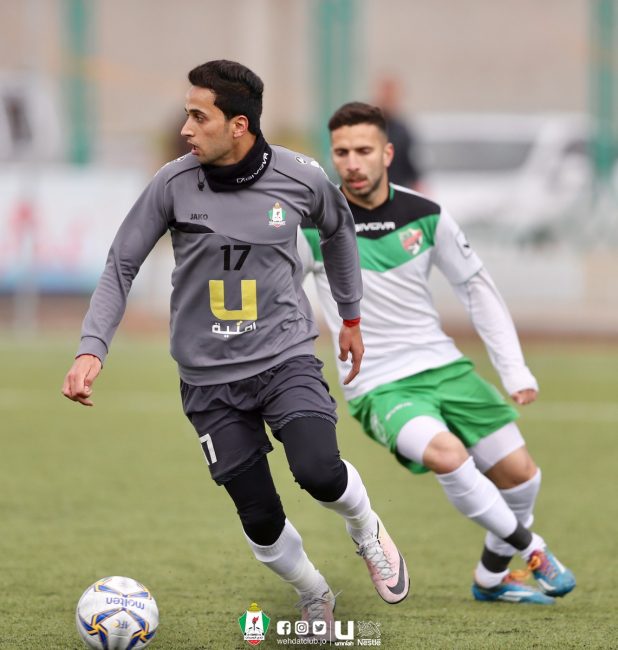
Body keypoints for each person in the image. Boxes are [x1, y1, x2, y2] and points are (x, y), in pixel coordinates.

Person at [61, 63, 409, 641]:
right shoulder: (172, 184)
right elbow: (121, 263)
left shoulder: (301, 177)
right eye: (187, 114)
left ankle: (366, 528)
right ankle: (313, 592)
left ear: (239, 125)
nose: (185, 128)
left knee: (319, 471)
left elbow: (338, 230)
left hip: (284, 357)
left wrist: (350, 316)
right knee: (261, 518)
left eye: (199, 117)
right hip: (207, 380)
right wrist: (91, 348)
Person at [299, 101, 576, 605]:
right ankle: (532, 548)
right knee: (449, 455)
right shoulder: (315, 225)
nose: (352, 163)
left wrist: (513, 369)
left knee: (521, 477)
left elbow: (477, 288)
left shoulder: (425, 214)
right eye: (341, 152)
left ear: (387, 153)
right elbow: (278, 290)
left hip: (445, 367)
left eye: (363, 150)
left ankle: (491, 578)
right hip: (378, 383)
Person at [373, 76, 423, 191]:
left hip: (397, 189)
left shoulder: (402, 130)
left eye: (391, 95)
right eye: (385, 95)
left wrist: (417, 184)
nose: (388, 99)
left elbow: (410, 162)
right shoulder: (366, 126)